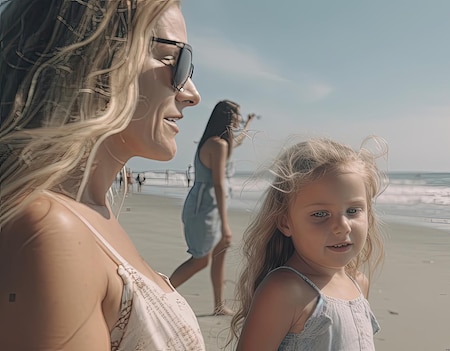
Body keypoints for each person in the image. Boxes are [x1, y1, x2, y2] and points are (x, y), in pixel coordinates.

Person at [0, 0, 205, 349]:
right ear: (94, 60)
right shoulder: (52, 231)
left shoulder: (92, 213)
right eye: (175, 60)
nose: (191, 94)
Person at [229, 137, 388, 350]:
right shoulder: (285, 290)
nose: (342, 226)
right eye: (320, 214)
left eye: (353, 210)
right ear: (286, 222)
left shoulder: (359, 283)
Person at [169, 100, 256, 316]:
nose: (238, 121)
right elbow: (217, 183)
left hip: (209, 204)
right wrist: (226, 225)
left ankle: (219, 306)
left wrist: (249, 125)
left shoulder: (219, 142)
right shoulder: (218, 145)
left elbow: (238, 141)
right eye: (237, 118)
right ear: (227, 118)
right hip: (205, 208)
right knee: (201, 260)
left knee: (219, 255)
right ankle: (159, 293)